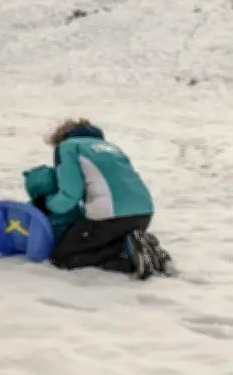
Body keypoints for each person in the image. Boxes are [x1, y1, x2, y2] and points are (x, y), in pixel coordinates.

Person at [26, 117, 174, 279]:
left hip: (109, 215)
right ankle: (148, 251)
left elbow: (70, 195)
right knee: (101, 240)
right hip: (144, 212)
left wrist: (46, 204)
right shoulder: (111, 148)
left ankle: (128, 257)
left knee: (62, 257)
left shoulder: (68, 147)